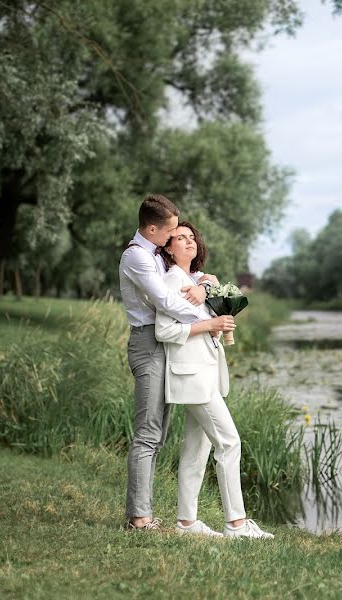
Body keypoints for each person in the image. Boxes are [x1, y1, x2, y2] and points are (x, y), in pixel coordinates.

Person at [118, 194, 234, 531]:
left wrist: (203, 282)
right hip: (148, 342)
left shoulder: (154, 254)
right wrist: (206, 309)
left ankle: (159, 515)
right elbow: (167, 301)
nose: (174, 238)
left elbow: (182, 280)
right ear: (153, 229)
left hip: (162, 344)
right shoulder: (136, 257)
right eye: (170, 233)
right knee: (149, 434)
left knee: (159, 433)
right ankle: (140, 518)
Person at [156, 221, 274, 539]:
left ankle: (186, 523)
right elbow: (164, 331)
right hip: (192, 376)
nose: (188, 241)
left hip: (205, 374)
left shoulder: (197, 280)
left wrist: (212, 292)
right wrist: (210, 325)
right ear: (168, 247)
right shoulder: (171, 281)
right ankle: (236, 523)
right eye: (180, 238)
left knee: (197, 448)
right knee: (229, 442)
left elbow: (231, 303)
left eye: (191, 237)